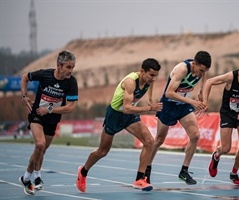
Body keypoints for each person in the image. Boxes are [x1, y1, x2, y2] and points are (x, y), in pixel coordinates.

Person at [76, 58, 162, 192]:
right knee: (102, 151)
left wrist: (150, 101)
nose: (153, 79)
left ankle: (139, 179)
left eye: (156, 75)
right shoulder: (130, 82)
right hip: (115, 115)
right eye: (151, 75)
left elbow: (143, 95)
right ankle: (83, 171)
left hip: (129, 117)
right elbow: (126, 108)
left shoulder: (148, 80)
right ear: (142, 71)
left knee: (149, 141)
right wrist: (149, 108)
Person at [146, 51, 212, 185]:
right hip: (168, 105)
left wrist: (201, 94)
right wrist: (193, 102)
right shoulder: (182, 69)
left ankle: (184, 171)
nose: (201, 73)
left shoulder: (202, 70)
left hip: (183, 105)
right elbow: (169, 93)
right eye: (200, 70)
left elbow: (203, 79)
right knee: (159, 140)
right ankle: (146, 169)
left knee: (195, 136)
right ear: (194, 64)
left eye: (204, 71)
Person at [19, 50, 78, 195]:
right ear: (59, 65)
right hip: (37, 115)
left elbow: (70, 108)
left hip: (52, 118)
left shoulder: (71, 82)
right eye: (68, 67)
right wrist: (24, 96)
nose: (70, 71)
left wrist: (49, 109)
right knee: (40, 144)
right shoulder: (44, 75)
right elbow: (25, 77)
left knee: (41, 150)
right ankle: (35, 177)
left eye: (72, 68)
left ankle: (28, 177)